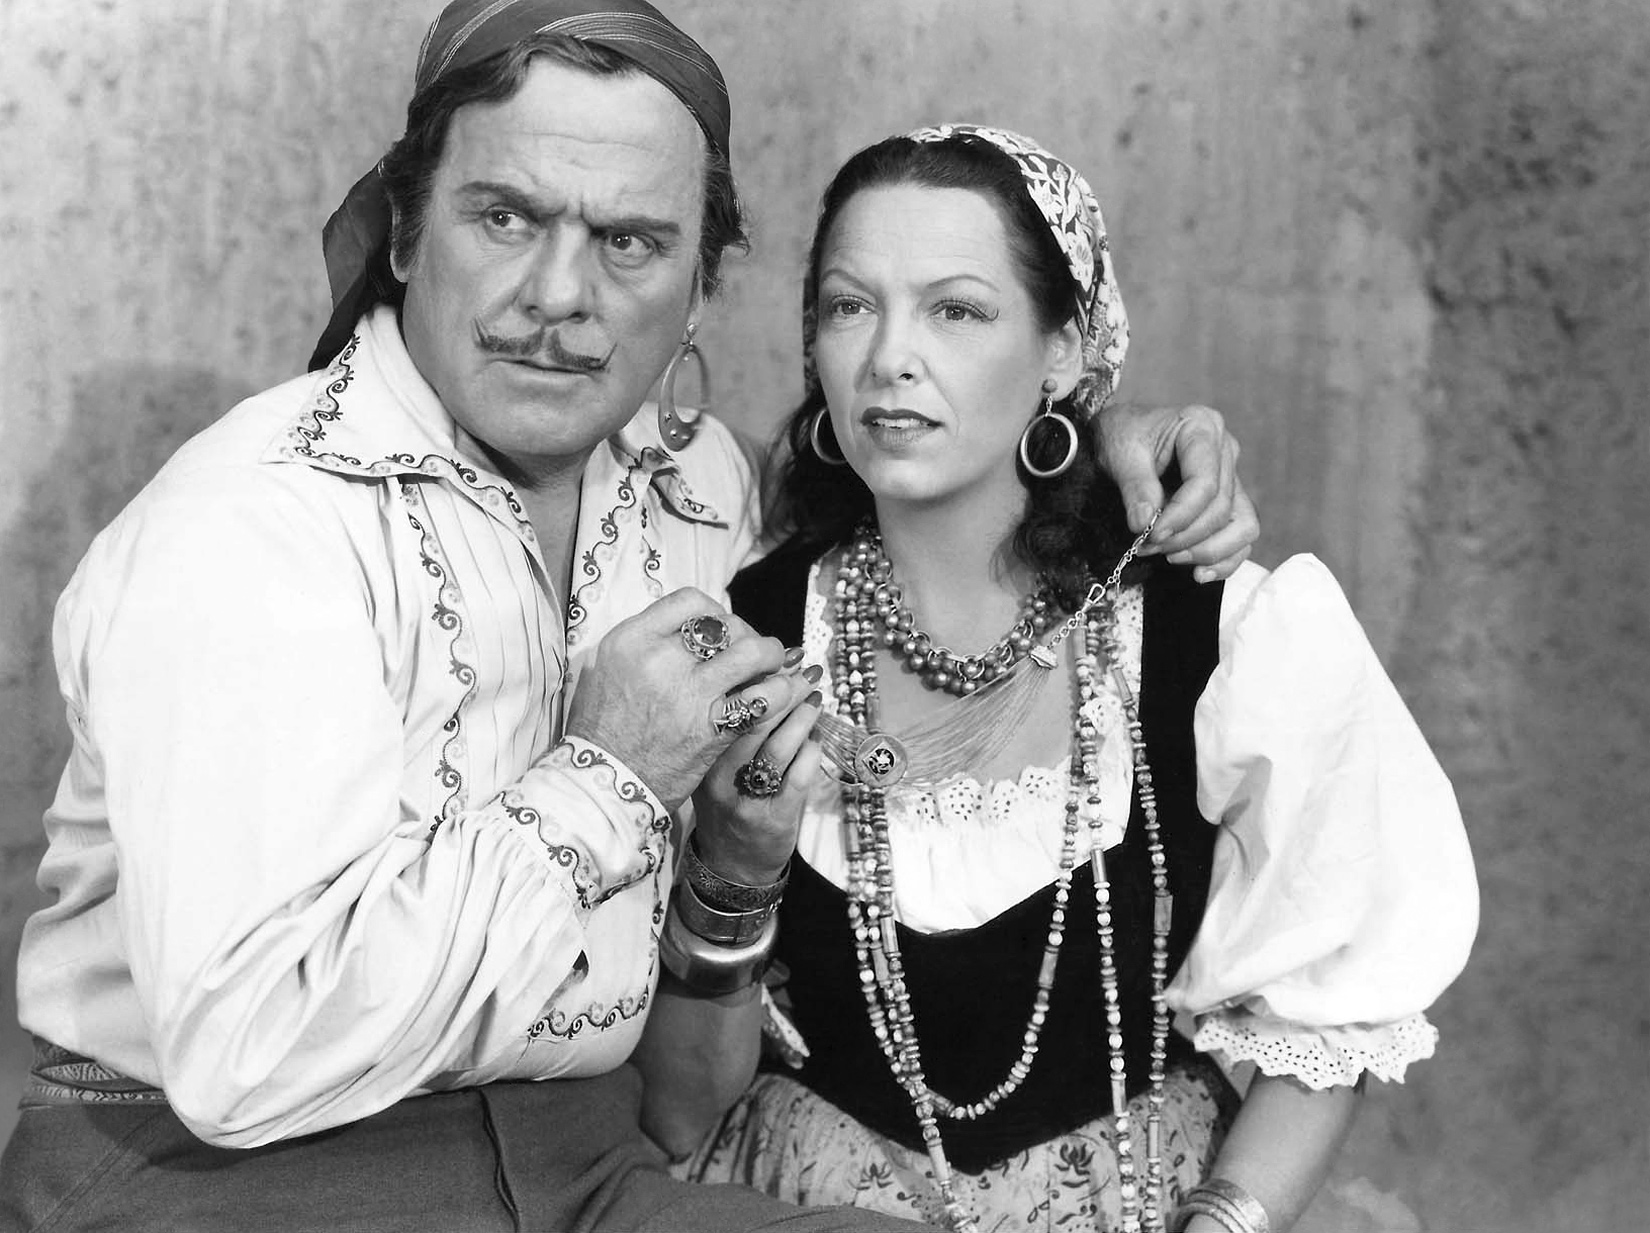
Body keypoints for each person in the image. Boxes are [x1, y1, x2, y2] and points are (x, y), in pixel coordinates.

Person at [0, 6, 1259, 1233]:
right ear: (404, 234)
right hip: (224, 1180)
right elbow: (245, 1059)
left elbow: (903, 480)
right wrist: (607, 776)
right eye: (505, 217)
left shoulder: (694, 484)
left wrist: (1099, 441)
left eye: (630, 243)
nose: (559, 295)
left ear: (700, 292)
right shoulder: (254, 527)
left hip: (582, 1164)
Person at [639, 126, 1478, 1233]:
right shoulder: (743, 629)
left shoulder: (1215, 633)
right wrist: (734, 870)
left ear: (1066, 352)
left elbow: (1329, 1016)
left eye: (957, 310)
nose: (890, 356)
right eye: (850, 306)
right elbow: (676, 1115)